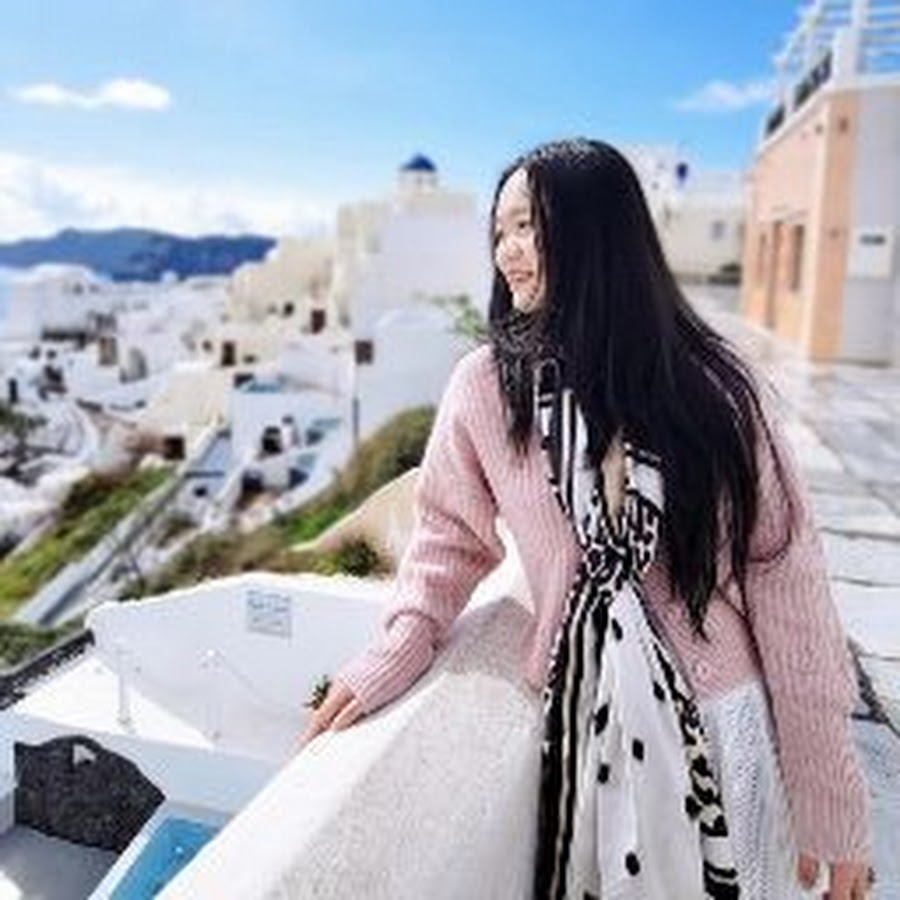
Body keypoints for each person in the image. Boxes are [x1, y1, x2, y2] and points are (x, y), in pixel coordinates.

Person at [301, 139, 872, 899]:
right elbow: (447, 540)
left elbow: (787, 583)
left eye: (528, 227)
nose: (507, 252)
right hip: (580, 724)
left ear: (599, 235)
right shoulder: (485, 387)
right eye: (499, 231)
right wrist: (396, 649)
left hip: (723, 720)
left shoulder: (713, 388)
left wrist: (831, 804)